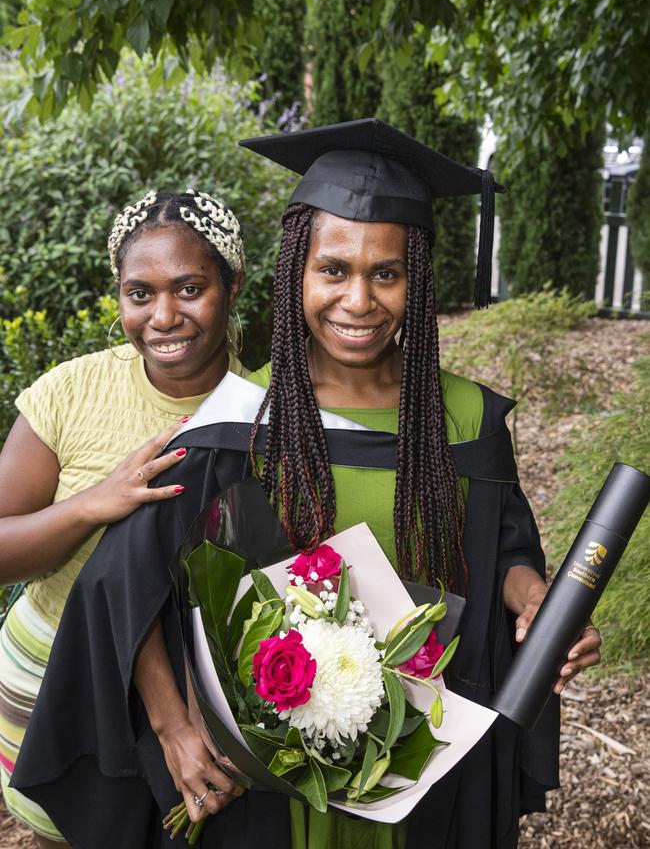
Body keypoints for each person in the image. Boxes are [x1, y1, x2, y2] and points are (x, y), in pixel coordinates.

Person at [12, 120, 601, 849]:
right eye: (334, 269)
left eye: (386, 272)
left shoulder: (467, 419)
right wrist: (172, 725)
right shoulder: (235, 425)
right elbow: (124, 583)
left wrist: (536, 602)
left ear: (416, 279)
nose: (359, 299)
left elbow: (502, 546)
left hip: (427, 762)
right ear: (296, 272)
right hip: (272, 792)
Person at [0, 187, 245, 848]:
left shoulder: (262, 415)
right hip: (54, 689)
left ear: (233, 285)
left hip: (195, 716)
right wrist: (91, 504)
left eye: (189, 288)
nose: (164, 315)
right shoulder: (71, 392)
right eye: (141, 293)